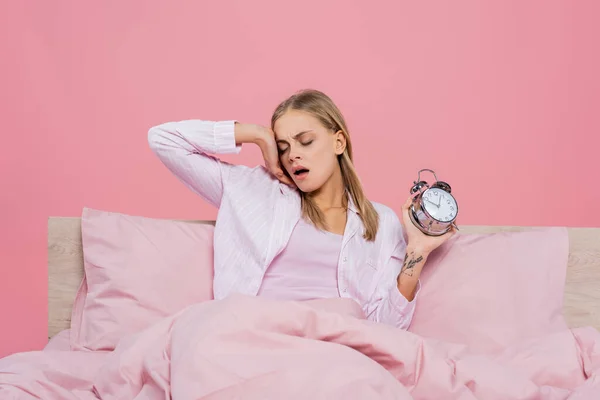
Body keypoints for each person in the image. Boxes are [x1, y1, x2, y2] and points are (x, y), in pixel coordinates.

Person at [147, 89, 456, 329]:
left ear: (338, 142)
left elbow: (386, 328)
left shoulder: (381, 222)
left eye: (305, 141)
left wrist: (417, 252)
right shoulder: (252, 190)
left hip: (334, 348)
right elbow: (163, 139)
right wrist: (257, 135)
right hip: (254, 338)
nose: (293, 155)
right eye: (283, 147)